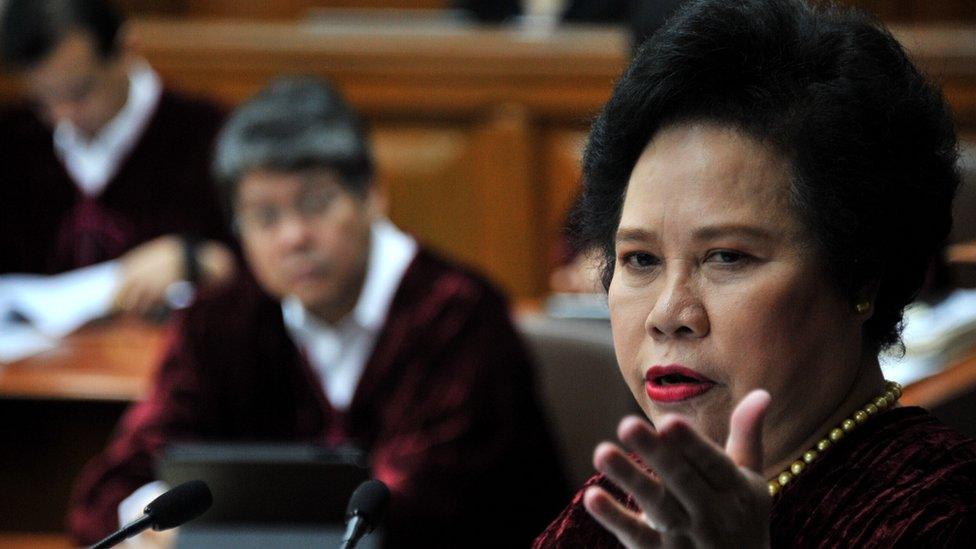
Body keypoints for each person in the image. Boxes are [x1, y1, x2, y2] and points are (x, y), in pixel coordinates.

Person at [533, 0, 976, 546]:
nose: (669, 315)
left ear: (863, 275)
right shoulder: (618, 504)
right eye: (640, 260)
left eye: (727, 257)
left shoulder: (942, 511)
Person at [67, 77, 567, 547]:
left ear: (372, 195)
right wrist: (150, 516)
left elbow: (439, 510)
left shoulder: (458, 314)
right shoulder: (219, 321)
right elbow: (111, 485)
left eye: (316, 204)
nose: (294, 238)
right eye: (265, 217)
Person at [0, 0, 235, 315]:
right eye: (44, 100)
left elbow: (247, 266)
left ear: (126, 48)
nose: (63, 116)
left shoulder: (210, 134)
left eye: (80, 92)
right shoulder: (15, 137)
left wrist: (193, 259)